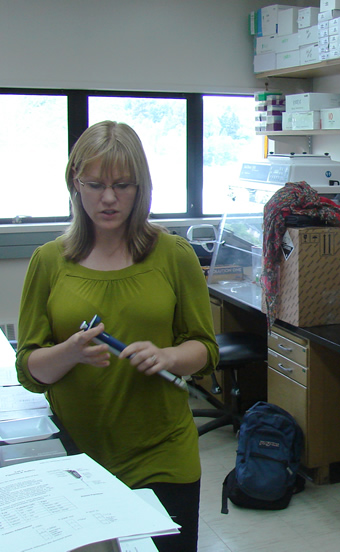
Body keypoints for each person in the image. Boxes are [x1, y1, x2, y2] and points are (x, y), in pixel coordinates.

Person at [15, 121, 219, 552]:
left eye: (123, 185)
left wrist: (169, 356)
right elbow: (31, 370)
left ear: (140, 186)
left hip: (162, 452)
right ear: (76, 183)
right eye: (96, 184)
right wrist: (68, 352)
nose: (109, 198)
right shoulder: (48, 262)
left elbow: (205, 347)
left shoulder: (174, 255)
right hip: (77, 457)